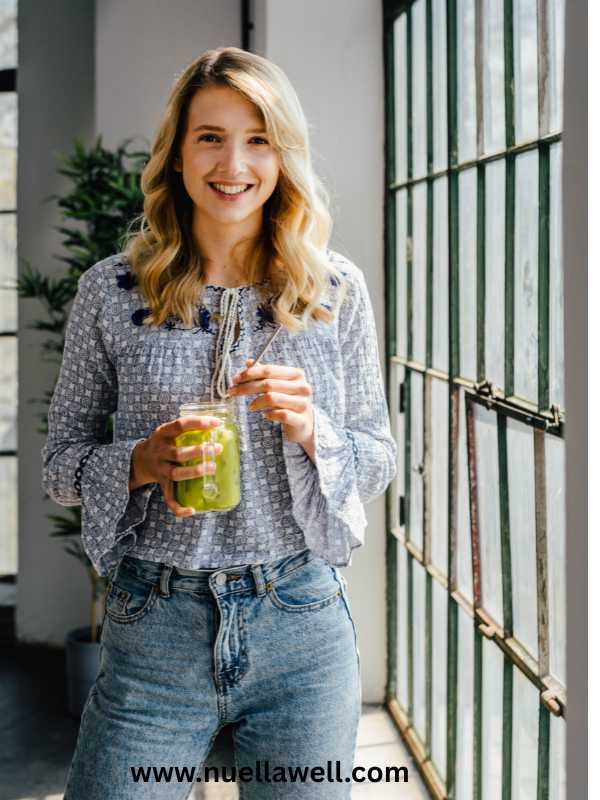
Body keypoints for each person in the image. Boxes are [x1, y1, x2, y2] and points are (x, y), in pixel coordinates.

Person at [42, 46, 397, 799]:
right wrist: (141, 462)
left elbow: (376, 458)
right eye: (210, 137)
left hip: (301, 621)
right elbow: (60, 466)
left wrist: (314, 430)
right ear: (177, 154)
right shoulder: (112, 290)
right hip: (154, 627)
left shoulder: (335, 290)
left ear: (282, 155)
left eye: (258, 139)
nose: (233, 163)